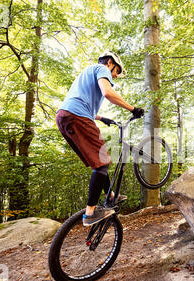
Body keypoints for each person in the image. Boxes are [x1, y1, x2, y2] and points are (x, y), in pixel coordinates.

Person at [56, 51, 144, 226]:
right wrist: (132, 109)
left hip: (64, 116)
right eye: (117, 71)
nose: (116, 76)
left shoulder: (86, 73)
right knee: (102, 162)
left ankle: (112, 196)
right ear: (110, 63)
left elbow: (80, 102)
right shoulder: (101, 68)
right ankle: (90, 213)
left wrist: (102, 118)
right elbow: (107, 93)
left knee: (98, 163)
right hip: (77, 116)